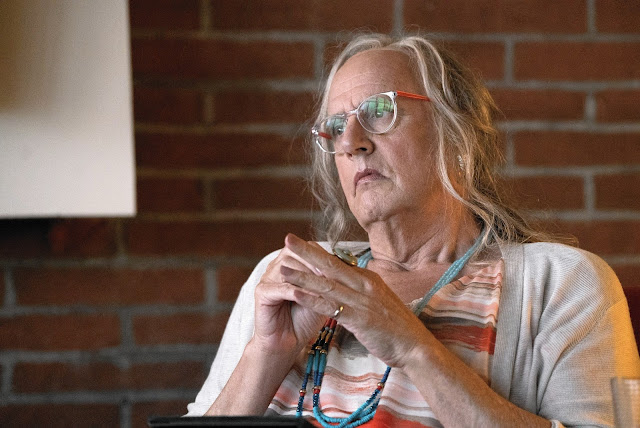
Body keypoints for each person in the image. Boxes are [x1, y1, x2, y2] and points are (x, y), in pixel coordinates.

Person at [186, 33, 640, 427]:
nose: (351, 142)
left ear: (456, 132)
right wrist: (267, 353)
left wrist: (412, 345)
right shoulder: (287, 278)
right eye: (336, 127)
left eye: (380, 110)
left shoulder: (563, 284)